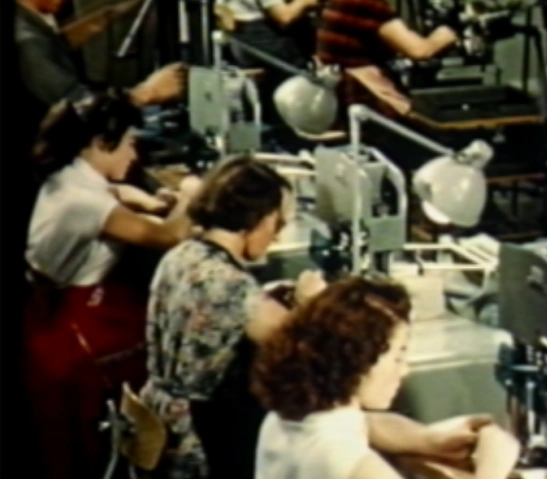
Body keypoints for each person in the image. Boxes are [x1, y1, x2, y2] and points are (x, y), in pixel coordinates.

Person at [23, 92, 199, 479]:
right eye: (130, 144)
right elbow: (169, 237)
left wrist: (151, 202)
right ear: (103, 142)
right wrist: (191, 194)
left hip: (55, 308)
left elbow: (114, 194)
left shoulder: (72, 175)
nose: (134, 155)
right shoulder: (84, 202)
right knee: (174, 346)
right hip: (72, 324)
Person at [140, 156, 326, 479]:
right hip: (203, 440)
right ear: (258, 219)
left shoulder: (182, 254)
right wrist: (311, 302)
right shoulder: (234, 288)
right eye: (277, 223)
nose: (277, 236)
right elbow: (303, 346)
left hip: (156, 421)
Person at [253, 276, 521, 479]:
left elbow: (367, 425)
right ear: (358, 360)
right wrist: (493, 467)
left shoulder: (288, 417)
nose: (404, 370)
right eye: (397, 356)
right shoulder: (343, 460)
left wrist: (430, 441)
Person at [15, 0, 185, 129]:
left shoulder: (25, 23)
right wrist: (144, 94)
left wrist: (111, 14)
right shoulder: (27, 41)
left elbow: (55, 45)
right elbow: (80, 107)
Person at [316, 0, 458, 118]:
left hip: (337, 99)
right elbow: (420, 51)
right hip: (366, 100)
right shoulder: (367, 5)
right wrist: (448, 33)